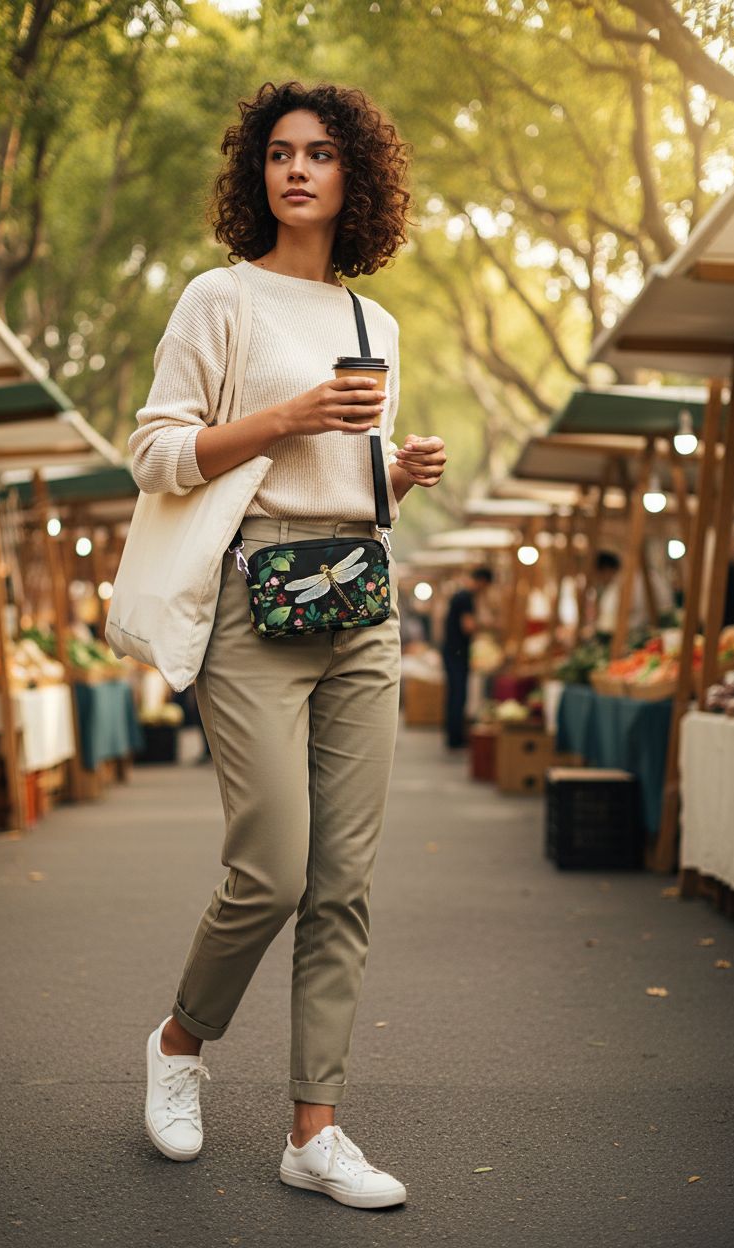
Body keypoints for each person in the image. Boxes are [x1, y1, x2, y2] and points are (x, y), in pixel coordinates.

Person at [127, 81, 446, 1208]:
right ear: (254, 174)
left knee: (343, 883)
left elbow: (352, 486)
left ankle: (315, 1131)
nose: (296, 169)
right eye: (278, 153)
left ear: (357, 176)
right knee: (271, 870)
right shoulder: (219, 299)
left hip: (358, 600)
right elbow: (155, 454)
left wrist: (397, 475)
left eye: (319, 153)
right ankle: (180, 1042)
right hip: (253, 598)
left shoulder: (373, 325)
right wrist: (284, 417)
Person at [441, 566, 493, 749]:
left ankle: (453, 735)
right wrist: (488, 625)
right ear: (483, 582)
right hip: (457, 653)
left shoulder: (461, 596)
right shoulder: (465, 598)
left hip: (453, 651)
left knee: (455, 693)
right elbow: (468, 626)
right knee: (458, 694)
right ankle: (455, 737)